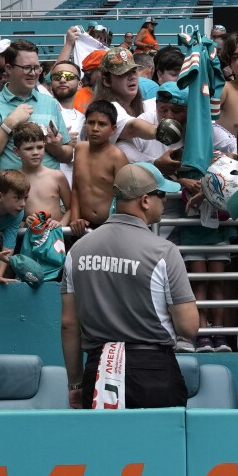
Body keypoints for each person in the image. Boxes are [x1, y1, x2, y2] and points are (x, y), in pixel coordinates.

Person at [61, 163, 198, 409]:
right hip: (153, 370)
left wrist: (75, 384)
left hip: (98, 368)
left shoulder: (77, 251)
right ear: (145, 200)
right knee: (160, 447)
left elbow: (69, 325)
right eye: (162, 195)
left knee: (107, 447)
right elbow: (188, 326)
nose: (165, 202)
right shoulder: (164, 251)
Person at [0, 40, 74, 192]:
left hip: (50, 202)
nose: (33, 73)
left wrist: (56, 148)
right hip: (13, 204)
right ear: (8, 68)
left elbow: (68, 154)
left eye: (36, 67)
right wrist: (8, 124)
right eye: (26, 68)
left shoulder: (50, 103)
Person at [72, 101, 129, 229]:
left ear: (113, 129)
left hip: (112, 226)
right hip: (83, 225)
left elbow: (126, 197)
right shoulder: (80, 149)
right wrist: (75, 218)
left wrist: (117, 226)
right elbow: (76, 188)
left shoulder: (117, 157)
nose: (95, 128)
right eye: (91, 122)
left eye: (102, 124)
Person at [13, 121, 75, 234]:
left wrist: (61, 225)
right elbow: (8, 215)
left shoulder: (57, 176)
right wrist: (23, 223)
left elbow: (71, 208)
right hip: (27, 239)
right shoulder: (13, 180)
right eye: (29, 148)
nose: (35, 152)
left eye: (40, 147)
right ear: (16, 151)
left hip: (56, 238)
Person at [48, 59, 85, 183]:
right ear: (50, 83)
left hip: (75, 185)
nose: (63, 80)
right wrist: (64, 141)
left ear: (80, 84)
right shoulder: (41, 110)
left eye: (69, 76)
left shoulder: (85, 118)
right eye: (57, 76)